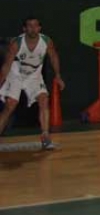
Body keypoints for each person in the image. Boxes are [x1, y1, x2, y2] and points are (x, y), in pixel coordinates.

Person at [0, 17, 64, 150]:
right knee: (10, 105)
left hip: (34, 75)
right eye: (29, 26)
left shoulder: (46, 41)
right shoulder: (16, 43)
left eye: (35, 26)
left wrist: (58, 76)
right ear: (24, 29)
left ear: (39, 28)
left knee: (44, 99)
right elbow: (6, 66)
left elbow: (53, 56)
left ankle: (45, 137)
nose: (33, 28)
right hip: (16, 73)